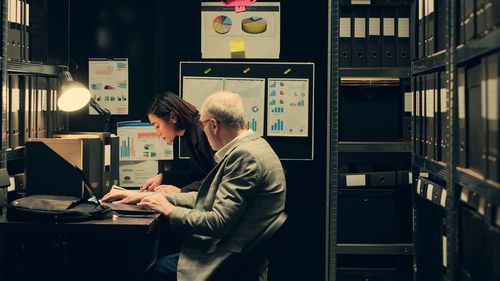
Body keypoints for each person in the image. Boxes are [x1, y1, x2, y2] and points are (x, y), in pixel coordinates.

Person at [102, 91, 286, 281]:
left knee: (150, 270)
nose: (202, 130)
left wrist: (170, 210)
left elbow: (218, 223)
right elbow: (209, 198)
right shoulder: (255, 146)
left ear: (213, 125)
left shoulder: (244, 157)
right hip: (240, 252)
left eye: (203, 124)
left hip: (229, 258)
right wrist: (153, 197)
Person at [142, 91, 216, 193]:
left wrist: (181, 191)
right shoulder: (189, 133)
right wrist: (163, 177)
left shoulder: (202, 131)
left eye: (157, 126)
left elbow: (216, 179)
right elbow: (196, 174)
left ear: (173, 117)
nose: (158, 133)